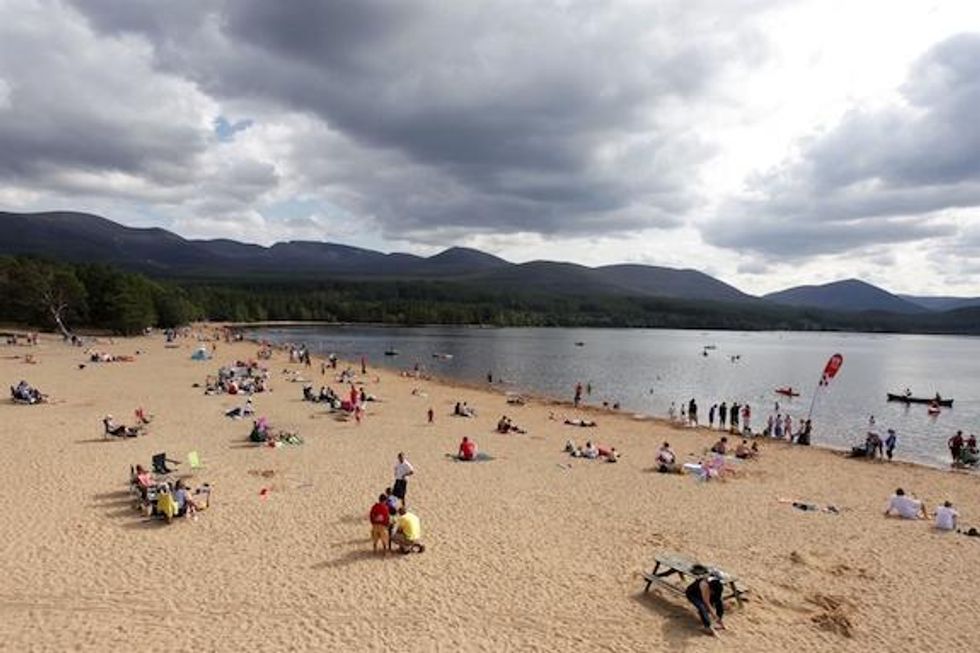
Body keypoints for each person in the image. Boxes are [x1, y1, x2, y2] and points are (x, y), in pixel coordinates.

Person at [685, 566, 726, 636]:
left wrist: (718, 618)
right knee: (702, 607)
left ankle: (719, 621)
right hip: (693, 594)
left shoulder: (718, 585)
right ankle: (708, 627)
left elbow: (718, 598)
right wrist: (714, 615)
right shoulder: (704, 584)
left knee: (719, 601)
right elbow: (706, 602)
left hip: (703, 593)